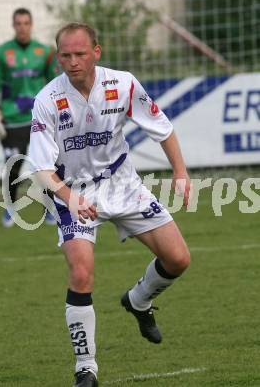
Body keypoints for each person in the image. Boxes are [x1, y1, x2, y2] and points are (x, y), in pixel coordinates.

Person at [29, 22, 191, 387]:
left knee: (178, 259)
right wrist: (72, 198)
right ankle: (86, 368)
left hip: (123, 183)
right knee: (82, 272)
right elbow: (40, 169)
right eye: (66, 55)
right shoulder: (48, 100)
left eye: (80, 53)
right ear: (58, 58)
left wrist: (179, 171)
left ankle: (138, 300)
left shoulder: (123, 83)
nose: (73, 62)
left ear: (96, 52)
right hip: (70, 190)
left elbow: (162, 127)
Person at [0, 7, 59, 227]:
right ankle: (10, 208)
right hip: (12, 118)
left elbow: (53, 83)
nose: (22, 27)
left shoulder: (45, 51)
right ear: (13, 25)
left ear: (31, 25)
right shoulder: (1, 53)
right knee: (13, 167)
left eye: (26, 23)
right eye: (18, 23)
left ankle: (49, 209)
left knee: (45, 165)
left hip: (39, 118)